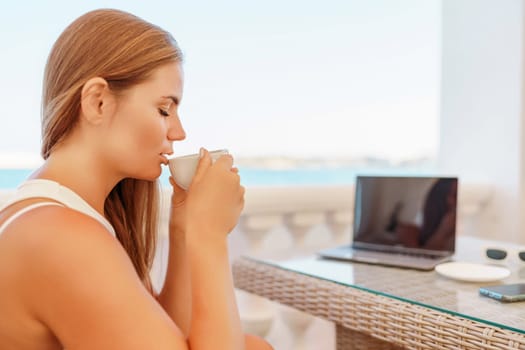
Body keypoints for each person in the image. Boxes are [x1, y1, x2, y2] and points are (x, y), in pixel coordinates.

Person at [0, 8, 272, 350]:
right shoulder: (63, 239)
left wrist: (184, 226)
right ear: (98, 102)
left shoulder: (62, 214)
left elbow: (169, 335)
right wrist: (210, 238)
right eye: (163, 109)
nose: (178, 131)